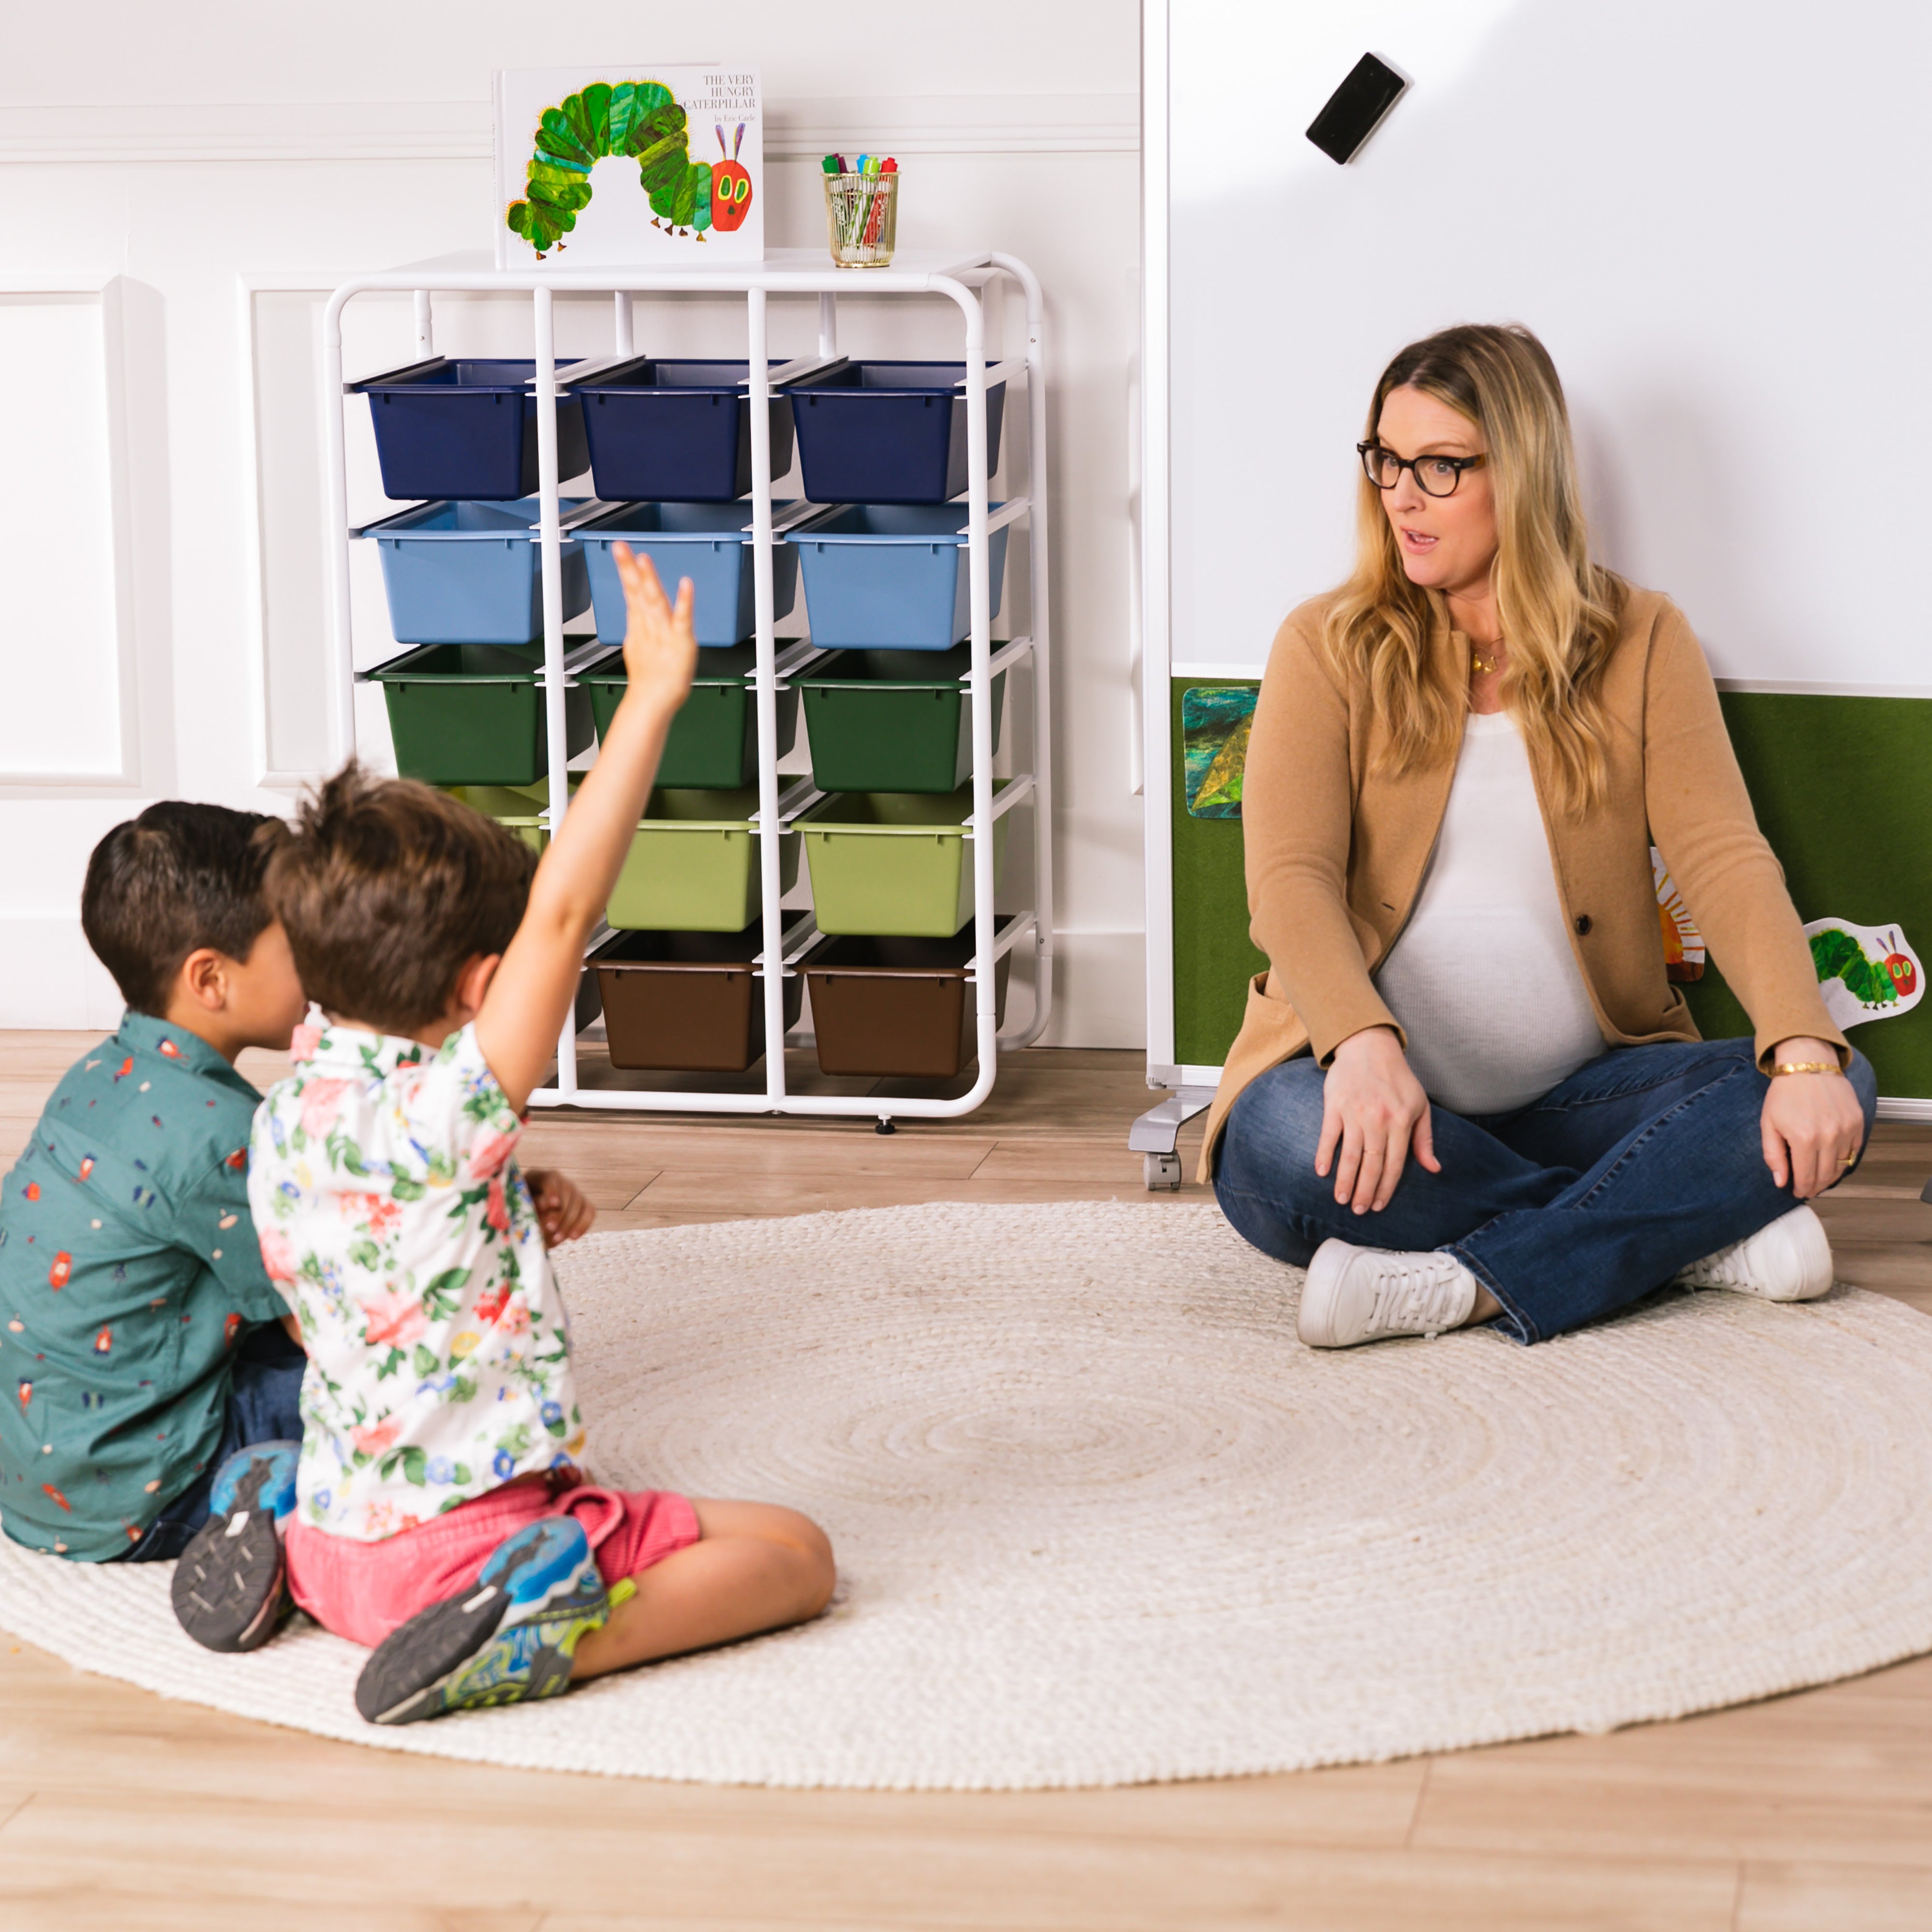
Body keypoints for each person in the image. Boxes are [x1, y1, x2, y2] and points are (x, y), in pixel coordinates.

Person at [219, 542, 834, 1725]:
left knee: (720, 1524)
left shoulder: (295, 1104)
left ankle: (284, 1542)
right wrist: (648, 701)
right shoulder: (452, 1106)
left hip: (349, 1533)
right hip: (456, 1555)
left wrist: (505, 1205)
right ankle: (520, 1637)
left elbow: (374, 1260)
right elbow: (564, 905)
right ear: (484, 985)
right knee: (793, 1551)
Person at [1204, 324, 1875, 1349]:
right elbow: (1287, 877)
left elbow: (1722, 858)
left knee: (1837, 1078)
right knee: (1273, 1142)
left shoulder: (1643, 636)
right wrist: (1360, 1041)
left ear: (1521, 474)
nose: (1400, 494)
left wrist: (1797, 1048)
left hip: (1586, 1092)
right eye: (1385, 459)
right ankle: (1683, 1236)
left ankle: (1470, 1280)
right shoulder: (1324, 642)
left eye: (1438, 465)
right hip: (1387, 1096)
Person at [0, 804, 309, 1564]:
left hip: (35, 1472)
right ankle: (266, 1508)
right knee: (400, 1377)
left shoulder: (97, 1073)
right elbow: (322, 1320)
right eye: (299, 934)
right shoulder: (222, 1135)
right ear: (210, 977)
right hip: (148, 1491)